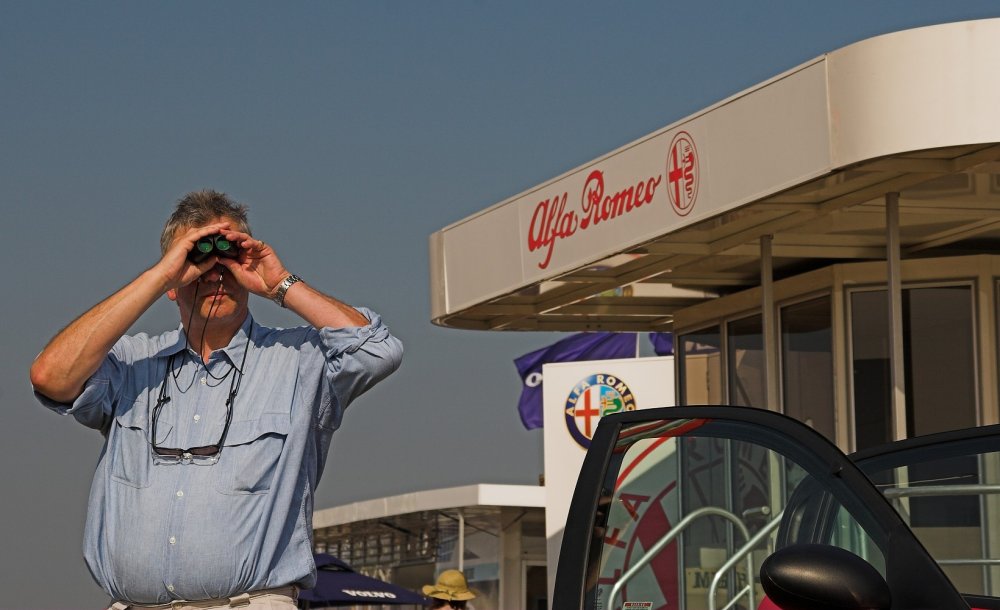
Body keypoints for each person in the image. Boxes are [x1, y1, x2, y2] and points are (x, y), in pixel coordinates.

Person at [29, 190, 403, 610]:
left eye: (228, 257)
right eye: (198, 259)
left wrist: (279, 282)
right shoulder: (133, 365)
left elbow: (377, 351)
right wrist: (161, 277)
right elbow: (51, 377)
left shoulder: (299, 361)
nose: (213, 272)